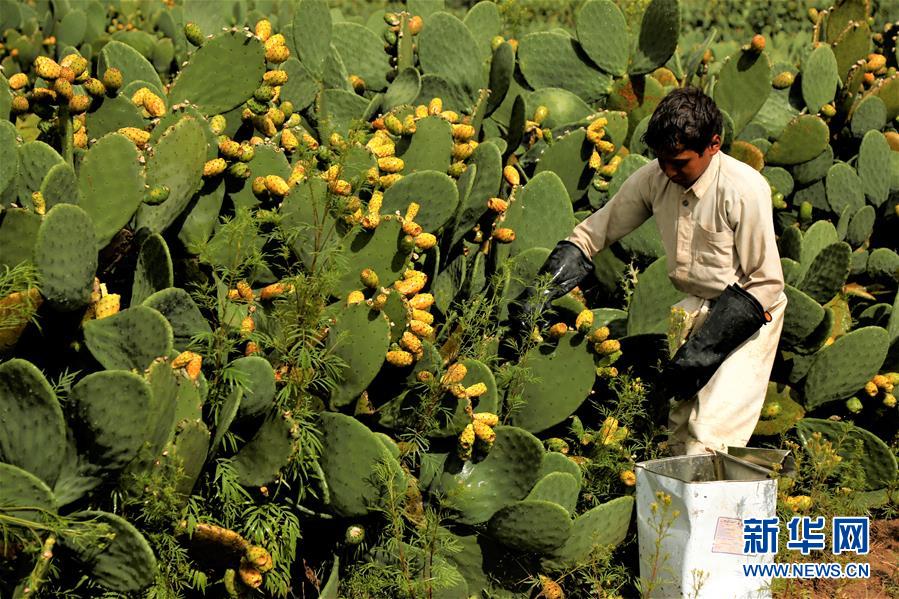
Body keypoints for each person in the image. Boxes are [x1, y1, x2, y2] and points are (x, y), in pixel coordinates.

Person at [512, 87, 787, 456]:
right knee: (679, 436)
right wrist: (542, 291)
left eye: (680, 162)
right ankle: (679, 514)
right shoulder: (654, 177)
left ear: (714, 144)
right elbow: (594, 234)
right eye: (662, 161)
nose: (670, 172)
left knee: (709, 437)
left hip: (750, 313)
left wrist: (703, 351)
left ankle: (716, 514)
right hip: (694, 306)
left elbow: (766, 281)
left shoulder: (743, 189)